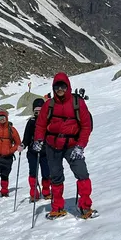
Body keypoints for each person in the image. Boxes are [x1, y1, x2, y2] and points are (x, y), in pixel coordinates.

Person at [32, 72, 95, 219]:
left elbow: (86, 126)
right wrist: (38, 140)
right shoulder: (49, 105)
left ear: (68, 86)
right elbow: (40, 125)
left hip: (72, 145)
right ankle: (57, 207)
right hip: (52, 146)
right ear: (53, 88)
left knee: (82, 174)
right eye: (57, 87)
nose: (60, 89)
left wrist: (80, 146)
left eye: (62, 86)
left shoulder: (77, 103)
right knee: (56, 177)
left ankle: (85, 206)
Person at [22, 98, 50, 202]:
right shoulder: (31, 122)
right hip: (32, 152)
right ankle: (34, 193)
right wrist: (23, 145)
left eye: (40, 110)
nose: (38, 113)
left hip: (45, 152)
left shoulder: (48, 121)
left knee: (46, 173)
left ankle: (46, 191)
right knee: (33, 172)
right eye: (36, 111)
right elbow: (27, 137)